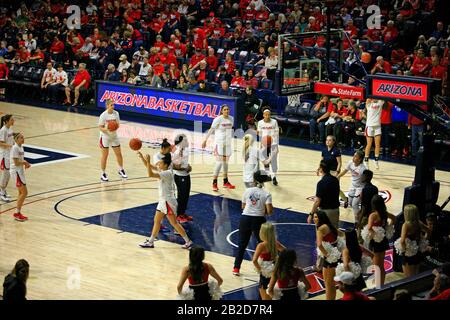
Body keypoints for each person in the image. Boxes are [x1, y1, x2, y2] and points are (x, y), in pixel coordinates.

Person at [137, 152, 193, 250]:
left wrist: (149, 160)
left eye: (160, 163)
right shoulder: (164, 170)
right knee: (157, 221)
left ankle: (188, 242)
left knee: (174, 223)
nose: (158, 164)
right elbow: (149, 166)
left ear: (166, 164)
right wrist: (142, 158)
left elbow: (150, 174)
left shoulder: (166, 173)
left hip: (168, 202)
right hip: (163, 201)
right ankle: (151, 241)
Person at [233, 171, 273, 276]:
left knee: (242, 244)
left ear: (254, 179)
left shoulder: (247, 190)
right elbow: (269, 211)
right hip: (258, 220)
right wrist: (261, 210)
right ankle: (267, 265)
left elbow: (243, 207)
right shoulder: (266, 193)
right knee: (265, 244)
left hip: (245, 219)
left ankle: (236, 268)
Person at [202, 105, 236, 192]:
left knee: (225, 163)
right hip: (219, 144)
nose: (227, 111)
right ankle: (214, 182)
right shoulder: (218, 119)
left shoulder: (231, 119)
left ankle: (225, 181)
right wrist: (205, 140)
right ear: (221, 111)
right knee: (219, 163)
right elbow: (211, 129)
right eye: (225, 109)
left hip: (227, 144)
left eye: (228, 109)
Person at [365, 195, 396, 286]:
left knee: (378, 266)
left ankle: (380, 285)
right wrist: (387, 228)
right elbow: (394, 218)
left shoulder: (373, 215)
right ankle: (380, 282)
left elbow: (369, 227)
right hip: (383, 240)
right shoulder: (384, 213)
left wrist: (374, 235)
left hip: (376, 242)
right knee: (380, 264)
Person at [314, 210, 343, 300]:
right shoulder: (329, 225)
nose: (314, 219)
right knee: (331, 284)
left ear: (320, 218)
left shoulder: (320, 229)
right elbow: (342, 234)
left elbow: (319, 244)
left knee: (329, 284)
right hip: (335, 256)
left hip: (330, 259)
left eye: (316, 217)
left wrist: (326, 255)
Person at [252, 222, 285, 300]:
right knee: (273, 293)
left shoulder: (261, 245)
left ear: (262, 233)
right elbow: (286, 252)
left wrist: (260, 270)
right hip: (274, 270)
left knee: (265, 297)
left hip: (265, 273)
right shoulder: (275, 243)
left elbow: (254, 260)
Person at [396, 204, 429, 277]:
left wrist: (403, 250)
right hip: (417, 251)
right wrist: (424, 239)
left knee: (408, 276)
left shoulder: (406, 225)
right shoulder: (419, 222)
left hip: (408, 253)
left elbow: (402, 241)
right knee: (416, 272)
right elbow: (428, 230)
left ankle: (411, 287)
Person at [98, 99, 127, 182]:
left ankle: (121, 169)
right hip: (105, 137)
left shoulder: (116, 113)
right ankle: (103, 174)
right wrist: (107, 129)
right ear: (107, 106)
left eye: (113, 105)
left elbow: (118, 125)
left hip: (114, 136)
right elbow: (100, 127)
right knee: (105, 156)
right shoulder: (103, 115)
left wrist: (114, 127)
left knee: (119, 154)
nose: (113, 106)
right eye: (111, 105)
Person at [337, 151, 367, 224]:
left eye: (355, 156)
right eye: (353, 155)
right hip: (353, 185)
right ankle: (361, 212)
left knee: (354, 204)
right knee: (350, 203)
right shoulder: (350, 163)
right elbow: (344, 171)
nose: (353, 158)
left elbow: (366, 181)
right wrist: (337, 177)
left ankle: (357, 221)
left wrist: (364, 191)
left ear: (360, 159)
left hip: (360, 187)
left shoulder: (363, 169)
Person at [308, 160, 340, 228]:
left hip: (325, 212)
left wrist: (311, 214)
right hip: (336, 211)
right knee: (334, 234)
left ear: (321, 169)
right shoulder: (335, 180)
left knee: (323, 235)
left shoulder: (321, 183)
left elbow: (317, 201)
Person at [172, 134, 193, 223]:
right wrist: (185, 168)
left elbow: (184, 163)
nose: (187, 141)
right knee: (181, 196)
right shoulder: (177, 152)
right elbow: (173, 166)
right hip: (179, 176)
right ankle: (178, 215)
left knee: (186, 195)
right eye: (185, 140)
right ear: (181, 142)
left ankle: (183, 213)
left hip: (186, 175)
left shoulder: (185, 150)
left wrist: (189, 167)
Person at [10, 132, 31, 221]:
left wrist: (24, 163)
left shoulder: (21, 147)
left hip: (20, 172)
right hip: (16, 172)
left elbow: (20, 160)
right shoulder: (15, 148)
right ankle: (16, 213)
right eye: (21, 137)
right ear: (16, 139)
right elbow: (16, 163)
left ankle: (17, 212)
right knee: (24, 192)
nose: (23, 138)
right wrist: (25, 163)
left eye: (23, 137)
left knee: (20, 193)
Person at [257, 108, 280, 186]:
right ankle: (268, 174)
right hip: (264, 144)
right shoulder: (260, 123)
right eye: (265, 115)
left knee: (274, 161)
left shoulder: (274, 122)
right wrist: (260, 144)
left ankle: (274, 177)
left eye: (268, 115)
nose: (267, 116)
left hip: (273, 143)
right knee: (265, 160)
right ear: (263, 115)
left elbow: (277, 134)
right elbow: (260, 135)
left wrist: (277, 145)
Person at [364, 98, 384, 169]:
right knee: (369, 144)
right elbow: (368, 98)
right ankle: (366, 161)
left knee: (377, 144)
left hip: (377, 126)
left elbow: (382, 97)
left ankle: (376, 160)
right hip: (369, 126)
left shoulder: (380, 102)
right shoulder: (369, 104)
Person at [0, 114, 14, 202]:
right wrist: (11, 146)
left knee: (8, 174)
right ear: (7, 121)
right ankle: (1, 193)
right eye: (12, 120)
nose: (13, 121)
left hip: (9, 154)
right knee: (5, 174)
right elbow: (1, 143)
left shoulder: (10, 129)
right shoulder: (3, 130)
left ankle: (4, 190)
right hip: (4, 155)